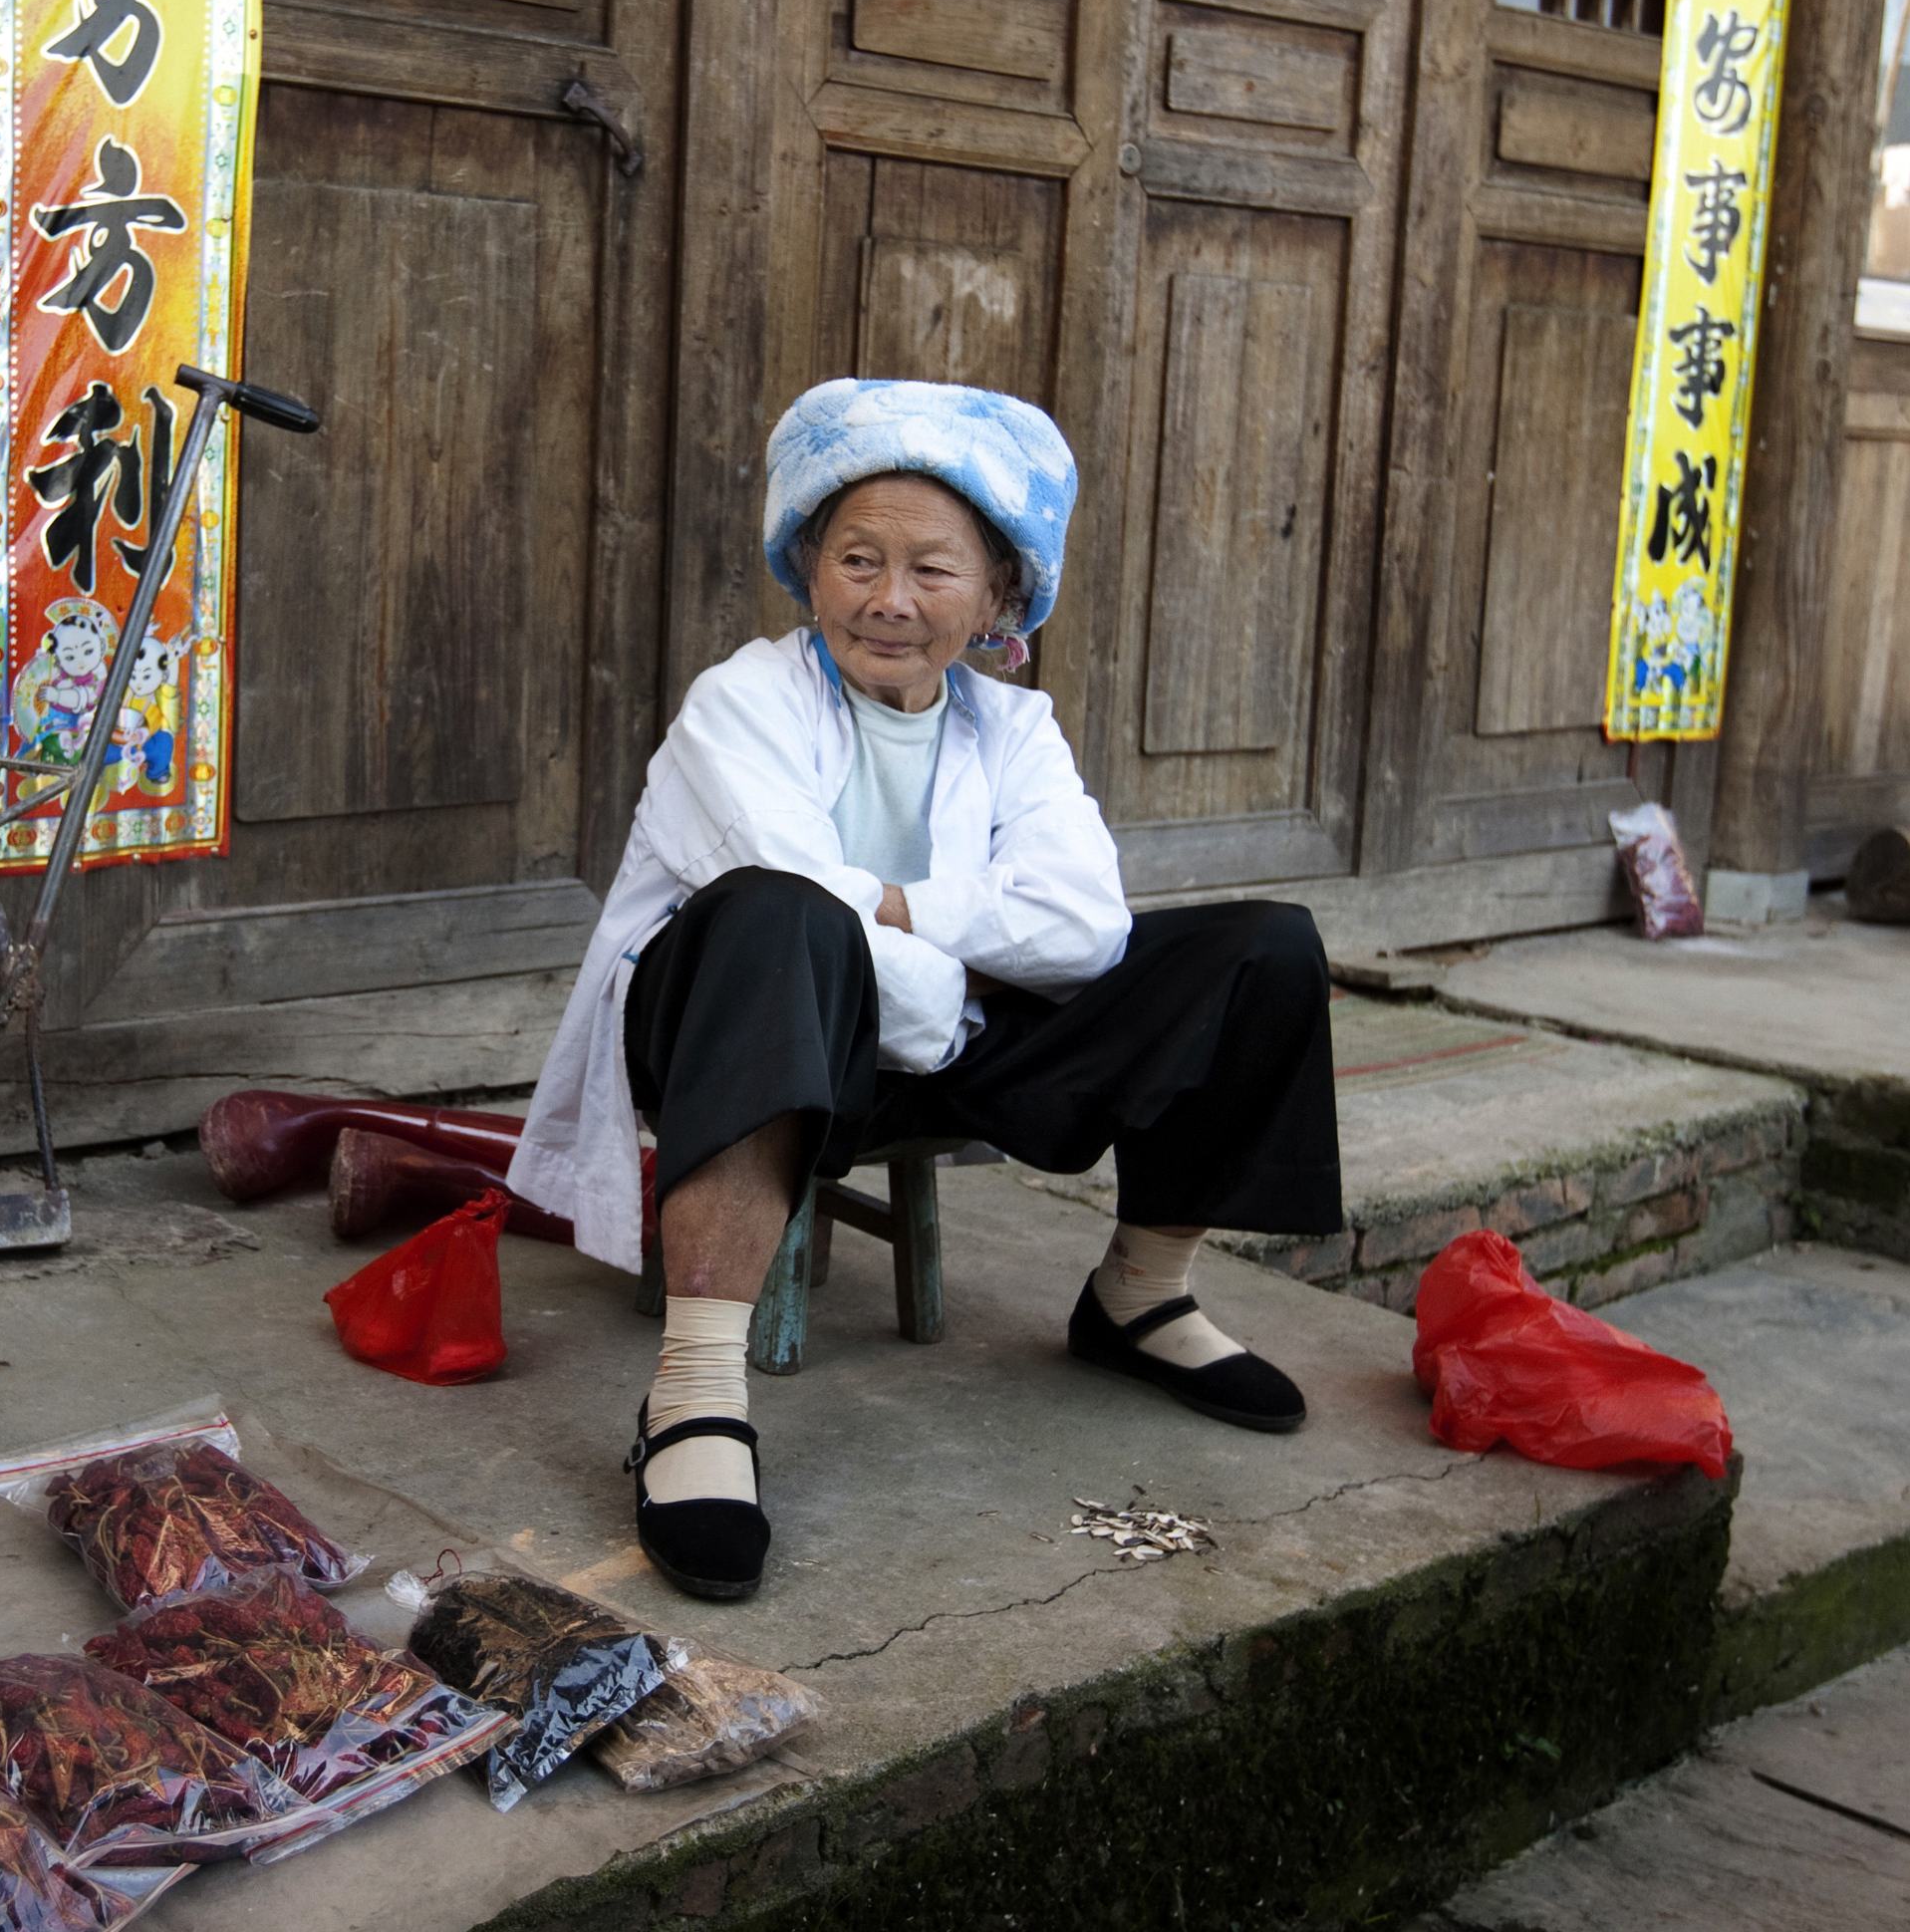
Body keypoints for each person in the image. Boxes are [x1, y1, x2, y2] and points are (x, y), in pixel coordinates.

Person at [505, 379, 1344, 1601]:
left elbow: (1082, 927)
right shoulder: (740, 703)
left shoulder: (1014, 729)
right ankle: (692, 1391)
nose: (887, 599)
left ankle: (1138, 1293)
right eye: (856, 557)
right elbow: (802, 903)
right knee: (778, 916)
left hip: (940, 1041)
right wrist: (940, 954)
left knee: (1264, 945)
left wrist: (895, 909)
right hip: (740, 1039)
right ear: (807, 563)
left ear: (1000, 595)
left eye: (932, 570)